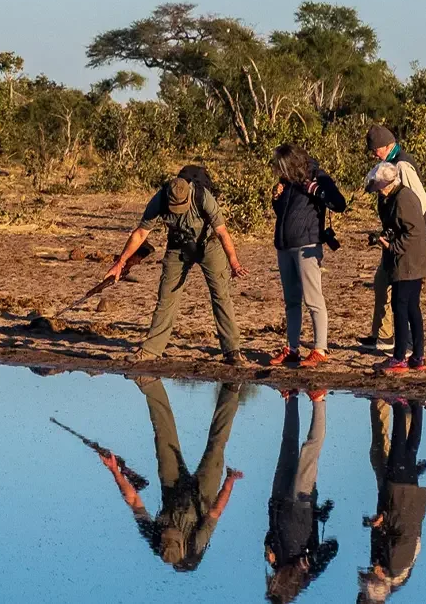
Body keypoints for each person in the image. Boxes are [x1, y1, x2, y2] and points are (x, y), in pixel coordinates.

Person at [105, 167, 249, 365]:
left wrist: (233, 261)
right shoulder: (160, 200)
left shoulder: (203, 197)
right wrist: (120, 263)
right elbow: (140, 234)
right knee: (166, 297)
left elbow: (222, 232)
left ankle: (232, 351)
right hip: (177, 245)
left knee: (221, 295)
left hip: (208, 245)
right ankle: (151, 350)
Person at [98, 377, 244, 572]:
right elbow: (215, 512)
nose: (168, 531)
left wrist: (115, 471)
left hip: (172, 489)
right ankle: (231, 389)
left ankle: (150, 384)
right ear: (181, 542)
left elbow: (134, 502)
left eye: (165, 534)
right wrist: (229, 482)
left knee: (164, 440)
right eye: (171, 534)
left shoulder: (153, 536)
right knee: (216, 447)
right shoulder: (195, 544)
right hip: (204, 496)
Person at [268, 144, 347, 368]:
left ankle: (320, 349)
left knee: (313, 299)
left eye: (282, 167)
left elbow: (339, 203)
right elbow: (284, 213)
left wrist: (317, 190)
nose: (279, 171)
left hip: (307, 244)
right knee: (291, 301)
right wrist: (277, 199)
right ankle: (292, 349)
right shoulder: (288, 181)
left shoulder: (318, 176)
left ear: (291, 164)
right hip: (284, 245)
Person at [264, 388, 338, 603]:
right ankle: (319, 401)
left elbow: (271, 532)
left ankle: (290, 397)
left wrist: (269, 547)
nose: (271, 582)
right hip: (300, 505)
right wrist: (306, 561)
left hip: (278, 502)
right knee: (309, 451)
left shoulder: (276, 563)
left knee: (287, 445)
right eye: (274, 588)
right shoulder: (307, 575)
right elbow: (332, 548)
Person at [362, 124, 426, 355]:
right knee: (385, 286)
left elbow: (417, 204)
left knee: (403, 300)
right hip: (399, 241)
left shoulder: (402, 165)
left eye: (376, 149)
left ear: (388, 145)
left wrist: (400, 241)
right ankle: (383, 336)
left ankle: (402, 346)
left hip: (406, 247)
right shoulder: (388, 164)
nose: (373, 154)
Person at [358, 398, 426, 603]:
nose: (371, 569)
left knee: (410, 448)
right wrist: (384, 519)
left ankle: (416, 405)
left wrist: (377, 523)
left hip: (403, 497)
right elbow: (405, 529)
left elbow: (392, 534)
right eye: (371, 575)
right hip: (402, 495)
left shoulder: (394, 570)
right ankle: (400, 404)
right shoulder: (396, 567)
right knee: (401, 447)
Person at [367, 162, 426, 373]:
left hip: (408, 262)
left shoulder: (403, 198)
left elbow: (414, 232)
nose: (377, 192)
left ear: (387, 184)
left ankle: (399, 358)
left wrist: (390, 245)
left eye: (378, 187)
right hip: (413, 261)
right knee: (412, 307)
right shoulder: (396, 197)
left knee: (401, 306)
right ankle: (418, 356)